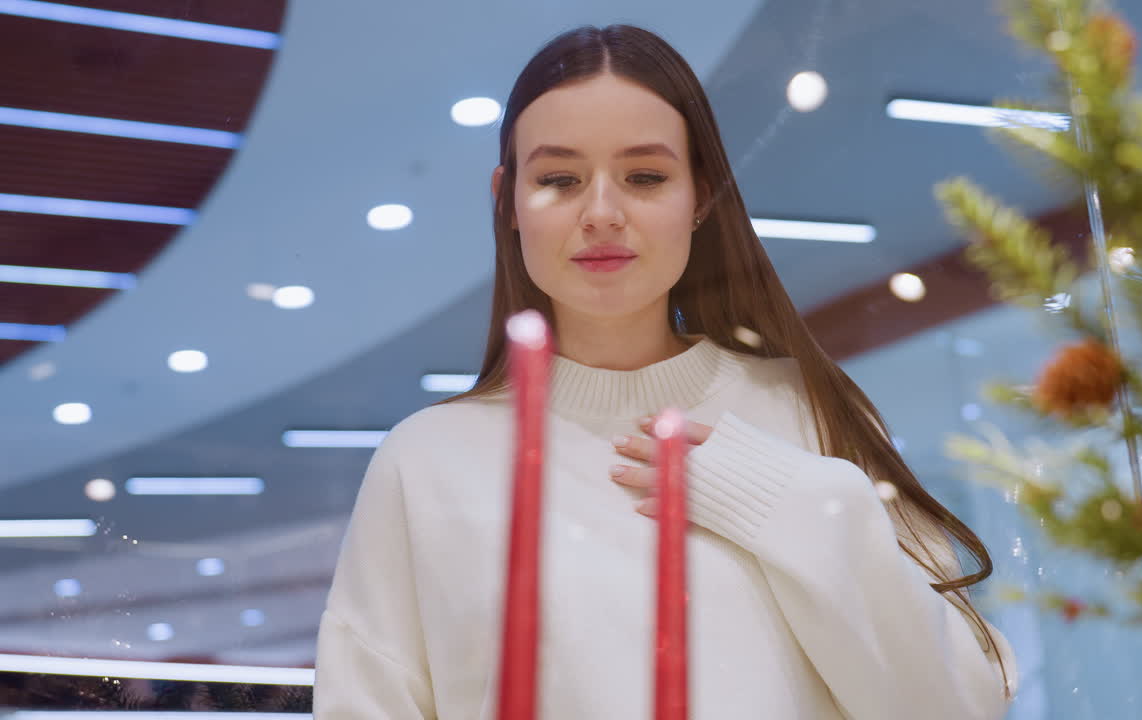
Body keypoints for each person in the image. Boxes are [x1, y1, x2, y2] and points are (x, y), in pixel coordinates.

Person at [314, 24, 1017, 719]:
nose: (601, 213)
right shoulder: (427, 460)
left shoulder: (809, 412)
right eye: (559, 179)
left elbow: (958, 706)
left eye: (644, 177)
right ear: (508, 200)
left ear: (701, 196)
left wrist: (795, 500)